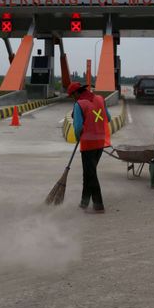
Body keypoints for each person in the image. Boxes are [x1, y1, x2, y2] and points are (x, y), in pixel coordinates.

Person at [67, 81, 111, 213]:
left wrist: (78, 136)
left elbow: (78, 127)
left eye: (72, 95)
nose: (72, 98)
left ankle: (98, 205)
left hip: (88, 144)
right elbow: (107, 118)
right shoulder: (99, 99)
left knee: (91, 174)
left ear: (76, 93)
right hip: (100, 142)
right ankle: (84, 202)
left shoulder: (79, 104)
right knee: (88, 173)